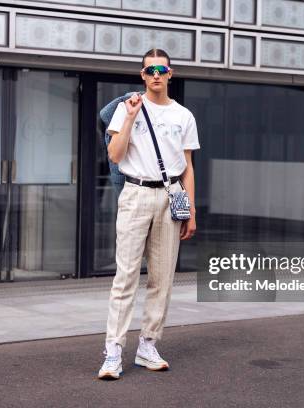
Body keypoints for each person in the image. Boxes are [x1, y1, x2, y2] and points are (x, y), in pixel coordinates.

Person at [97, 48, 200, 380]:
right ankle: (113, 351)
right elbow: (114, 155)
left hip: (170, 196)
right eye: (149, 70)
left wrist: (191, 210)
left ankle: (147, 345)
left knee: (162, 280)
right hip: (136, 194)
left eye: (161, 69)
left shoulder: (184, 116)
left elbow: (187, 167)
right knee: (125, 277)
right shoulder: (128, 110)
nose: (156, 74)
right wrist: (129, 117)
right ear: (142, 75)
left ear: (171, 74)